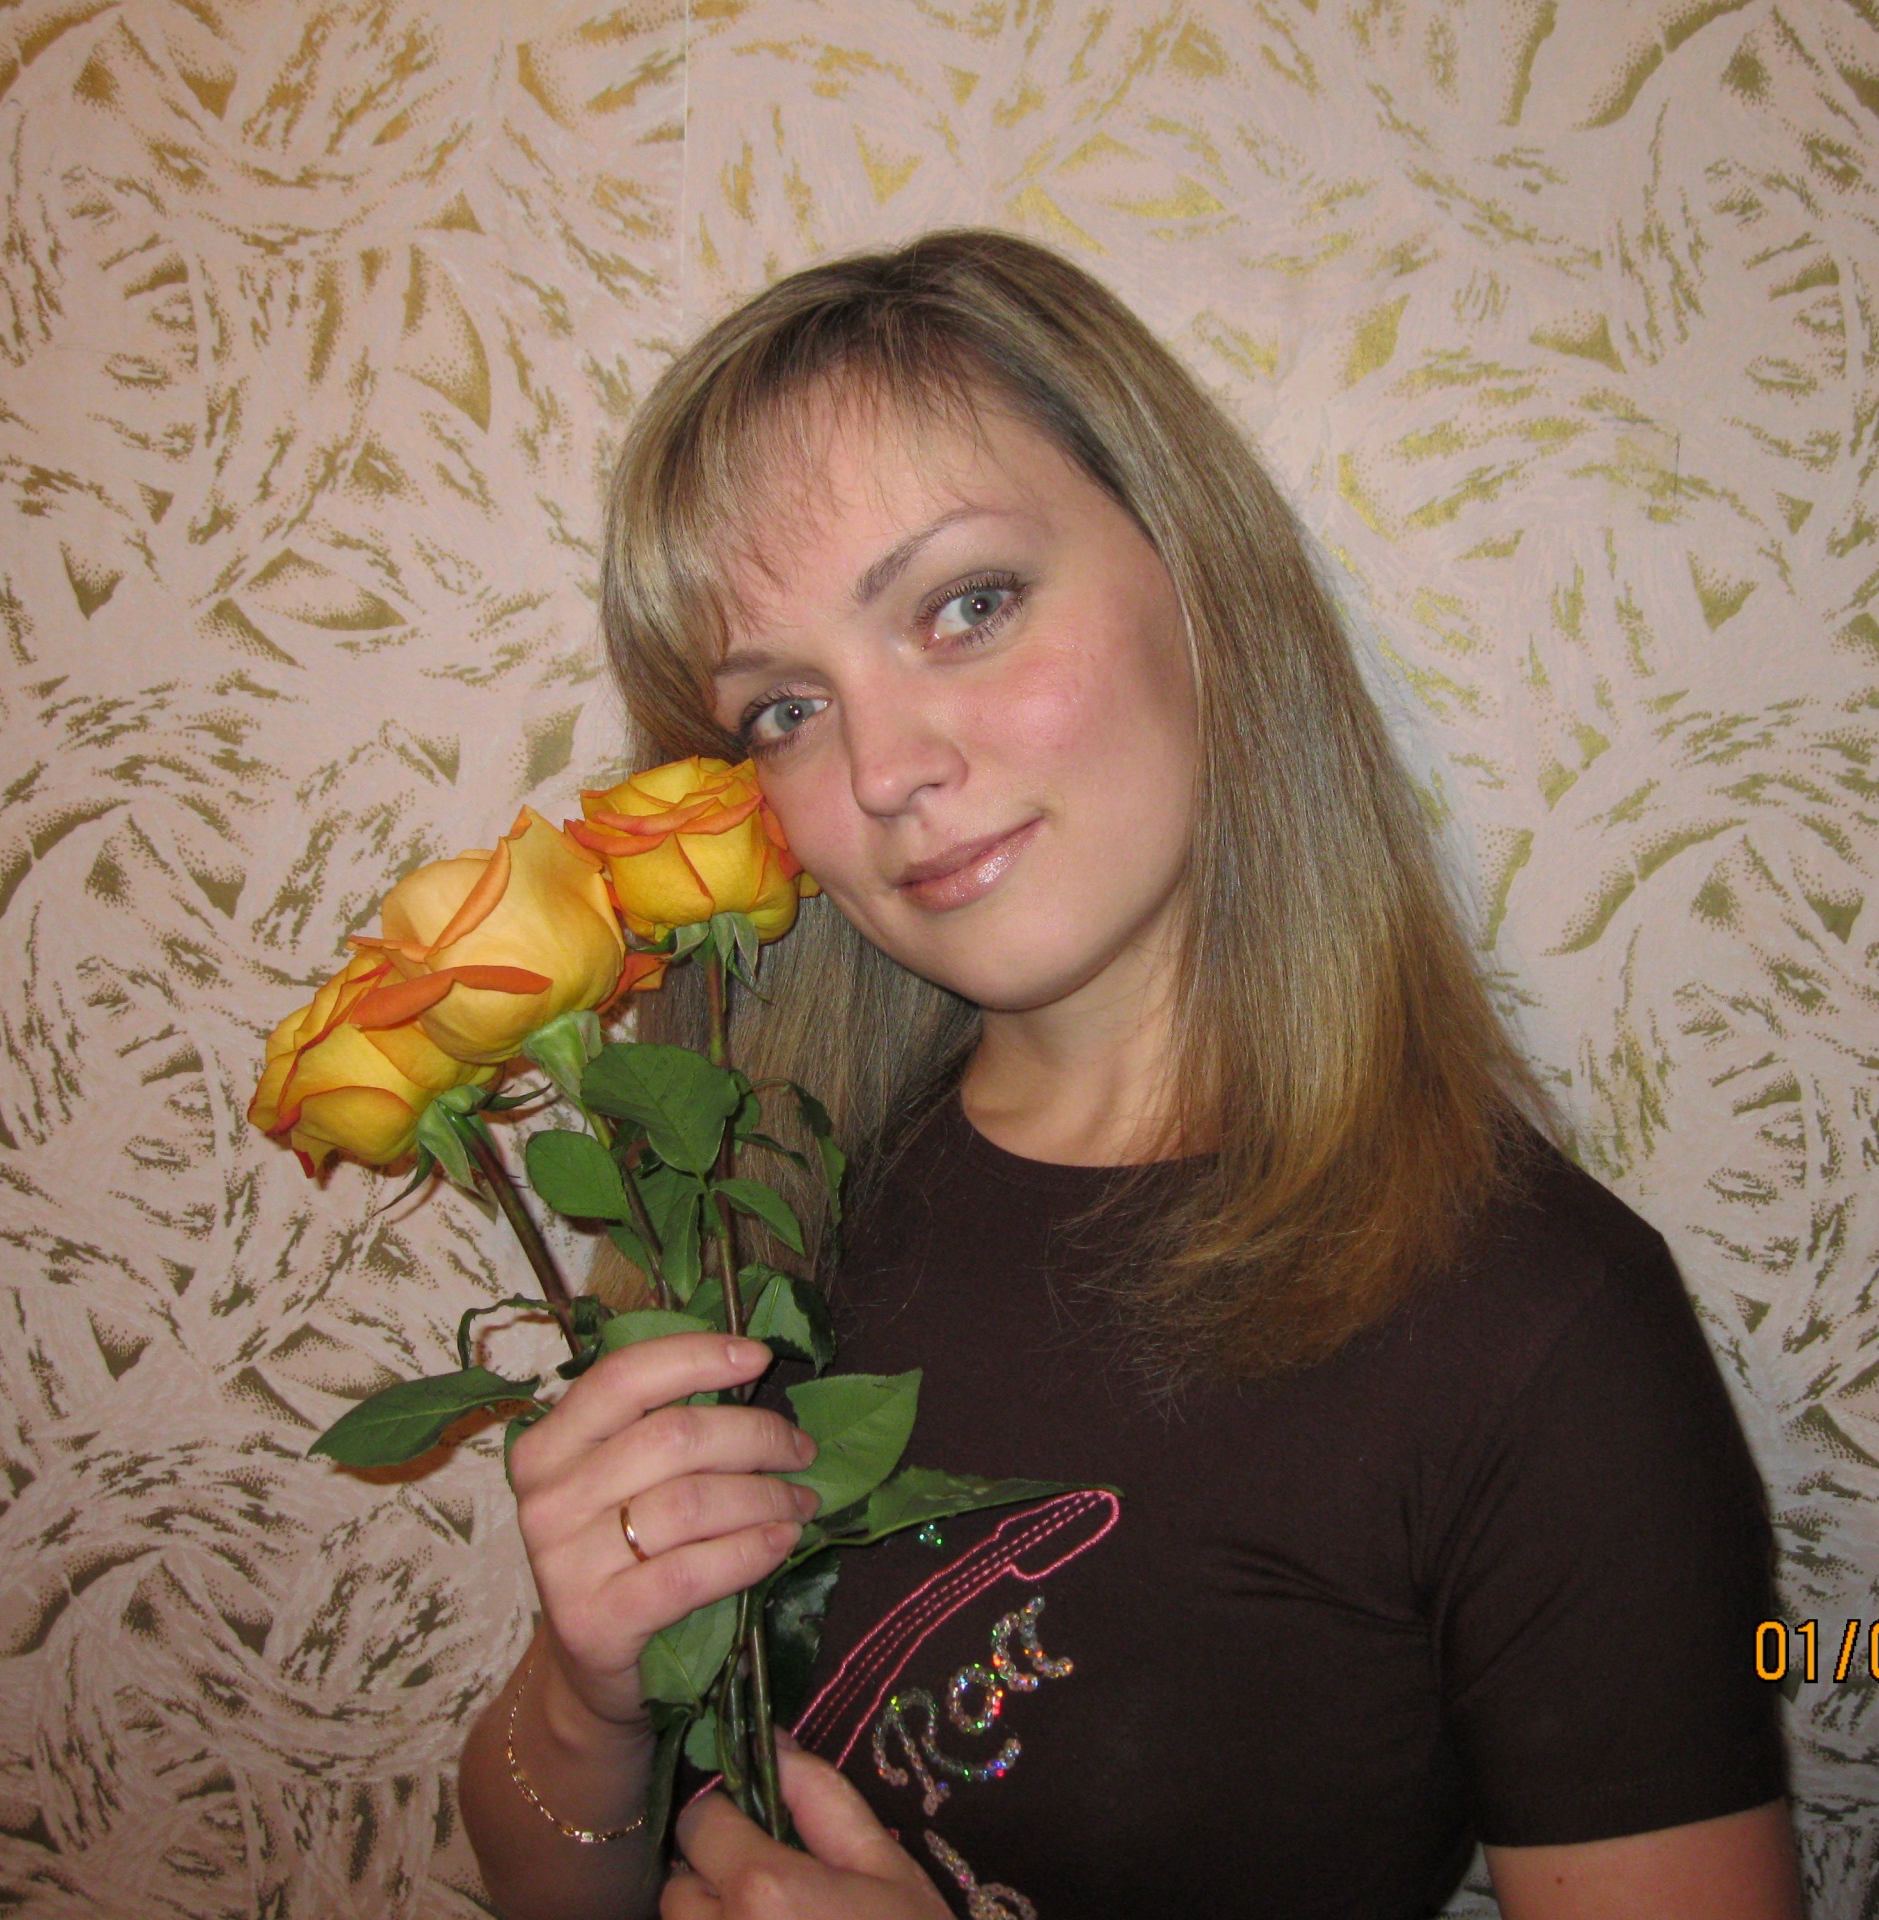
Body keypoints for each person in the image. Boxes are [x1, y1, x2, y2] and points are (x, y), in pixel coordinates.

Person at [456, 228, 1806, 1920]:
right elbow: (549, 1877)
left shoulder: (1539, 1333)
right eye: (785, 708)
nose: (883, 771)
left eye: (967, 607)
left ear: (1198, 576)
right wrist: (584, 1698)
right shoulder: (755, 1215)